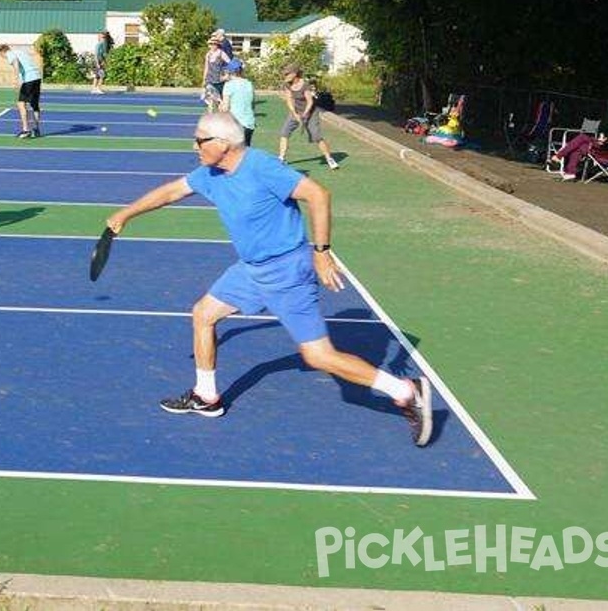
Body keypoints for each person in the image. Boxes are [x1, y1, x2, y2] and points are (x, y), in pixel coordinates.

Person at [106, 112, 433, 446]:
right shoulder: (211, 174)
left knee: (318, 356)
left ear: (223, 144)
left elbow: (318, 195)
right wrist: (125, 213)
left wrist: (321, 252)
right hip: (251, 270)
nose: (194, 145)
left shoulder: (262, 167)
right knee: (203, 314)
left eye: (200, 140)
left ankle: (406, 390)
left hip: (287, 272)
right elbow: (172, 192)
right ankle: (206, 396)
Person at [549, 106, 608, 181]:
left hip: (607, 154)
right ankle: (570, 172)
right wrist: (604, 140)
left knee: (582, 137)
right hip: (607, 151)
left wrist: (602, 142)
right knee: (580, 147)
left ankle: (559, 156)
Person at [278, 64, 339, 169]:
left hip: (310, 112)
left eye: (287, 73)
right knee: (284, 132)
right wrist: (295, 113)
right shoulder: (287, 85)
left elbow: (310, 102)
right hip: (296, 111)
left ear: (295, 74)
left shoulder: (305, 85)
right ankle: (281, 158)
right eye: (285, 73)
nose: (285, 75)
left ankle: (329, 159)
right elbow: (289, 100)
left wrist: (305, 114)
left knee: (316, 136)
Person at [0, 44, 42, 138]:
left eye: (2, 56)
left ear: (3, 52)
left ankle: (26, 130)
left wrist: (17, 80)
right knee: (35, 105)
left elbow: (16, 63)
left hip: (29, 79)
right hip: (37, 77)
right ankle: (36, 129)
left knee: (21, 104)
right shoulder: (20, 52)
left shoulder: (10, 54)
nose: (4, 57)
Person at [218, 58, 256, 145]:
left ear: (230, 72)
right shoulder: (249, 84)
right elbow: (252, 105)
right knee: (245, 152)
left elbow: (225, 108)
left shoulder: (228, 85)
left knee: (233, 153)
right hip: (249, 123)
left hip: (236, 124)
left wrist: (220, 105)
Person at [201, 33, 231, 111]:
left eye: (214, 44)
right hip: (210, 79)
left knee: (219, 100)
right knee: (210, 98)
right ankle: (210, 115)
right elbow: (206, 67)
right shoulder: (208, 54)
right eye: (211, 44)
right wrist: (204, 79)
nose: (212, 46)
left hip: (219, 80)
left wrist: (227, 74)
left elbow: (230, 63)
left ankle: (219, 116)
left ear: (217, 45)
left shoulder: (221, 53)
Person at [91, 30, 113, 94]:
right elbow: (96, 55)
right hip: (98, 61)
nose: (104, 38)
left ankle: (94, 88)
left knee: (98, 76)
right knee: (101, 75)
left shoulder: (104, 45)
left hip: (101, 61)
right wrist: (97, 63)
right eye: (103, 37)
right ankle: (97, 88)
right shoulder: (99, 45)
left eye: (105, 37)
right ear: (100, 37)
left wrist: (105, 61)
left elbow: (104, 54)